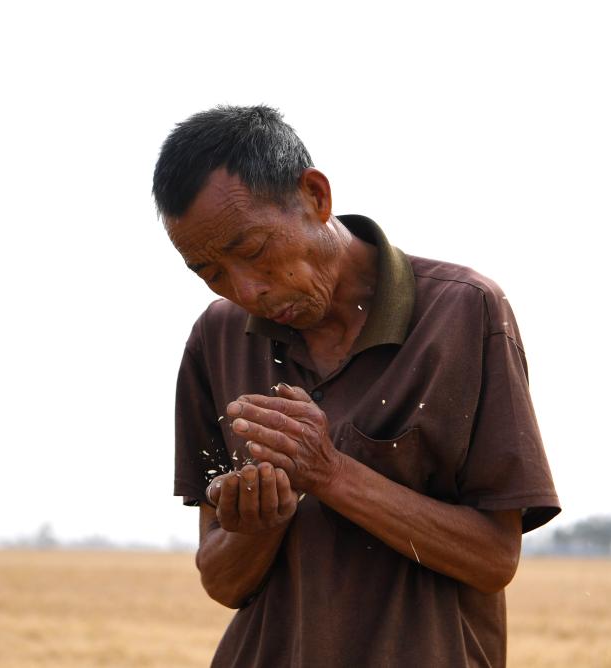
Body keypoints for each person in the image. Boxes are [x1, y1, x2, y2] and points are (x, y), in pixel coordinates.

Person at [153, 105, 560, 667]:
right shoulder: (216, 340)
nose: (245, 291)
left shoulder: (464, 313)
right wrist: (262, 523)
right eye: (211, 273)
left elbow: (494, 560)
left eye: (252, 251)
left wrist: (328, 472)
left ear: (316, 196)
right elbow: (222, 582)